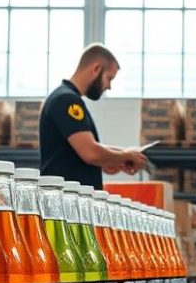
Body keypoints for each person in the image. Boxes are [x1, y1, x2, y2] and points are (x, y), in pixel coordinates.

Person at [40, 43, 147, 189]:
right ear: (96, 69)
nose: (109, 86)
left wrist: (114, 158)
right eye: (109, 78)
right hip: (63, 204)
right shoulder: (67, 100)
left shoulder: (66, 98)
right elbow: (91, 152)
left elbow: (83, 151)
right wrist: (125, 156)